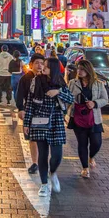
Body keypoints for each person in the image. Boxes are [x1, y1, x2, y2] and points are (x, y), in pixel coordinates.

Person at [23, 58, 73, 197]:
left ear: (53, 68)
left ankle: (53, 172)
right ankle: (44, 184)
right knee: (42, 154)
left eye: (46, 66)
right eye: (42, 65)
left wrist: (58, 93)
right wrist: (26, 123)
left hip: (56, 120)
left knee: (57, 155)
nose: (42, 68)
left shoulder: (61, 83)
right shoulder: (36, 81)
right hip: (39, 120)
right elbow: (30, 104)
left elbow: (71, 99)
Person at [68, 60, 108, 178]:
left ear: (88, 70)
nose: (79, 71)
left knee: (97, 142)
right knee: (82, 143)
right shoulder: (72, 83)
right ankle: (85, 168)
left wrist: (95, 103)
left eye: (82, 69)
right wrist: (63, 112)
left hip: (94, 118)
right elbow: (68, 99)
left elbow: (105, 99)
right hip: (78, 118)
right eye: (78, 69)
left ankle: (91, 157)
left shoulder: (98, 84)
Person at [16, 54, 45, 174]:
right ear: (31, 64)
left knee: (43, 139)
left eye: (42, 63)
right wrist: (21, 109)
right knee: (32, 138)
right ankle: (35, 163)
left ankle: (43, 161)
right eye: (37, 63)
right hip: (30, 112)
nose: (39, 65)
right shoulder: (25, 78)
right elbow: (19, 95)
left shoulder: (46, 78)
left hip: (44, 112)